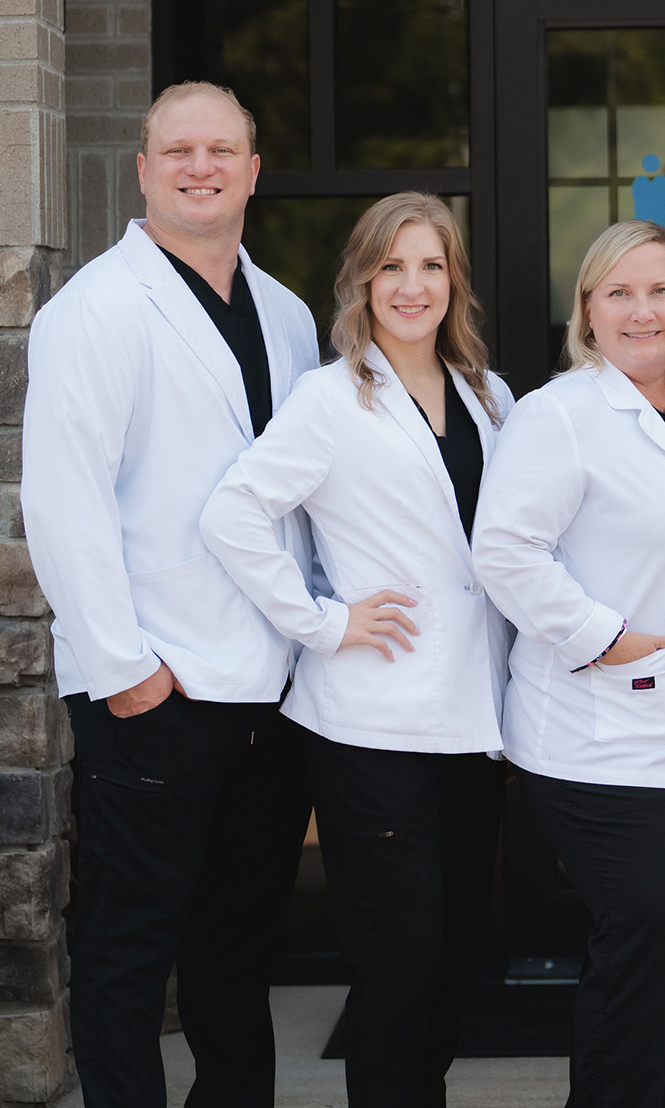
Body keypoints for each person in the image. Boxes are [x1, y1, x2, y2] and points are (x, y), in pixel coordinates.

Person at [21, 81, 320, 1108]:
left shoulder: (287, 315)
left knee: (239, 943)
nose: (202, 167)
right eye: (180, 151)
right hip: (156, 686)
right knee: (130, 945)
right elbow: (63, 501)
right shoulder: (94, 309)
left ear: (252, 171)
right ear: (144, 170)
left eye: (222, 150)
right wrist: (127, 672)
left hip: (268, 690)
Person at [199, 192, 513, 1105]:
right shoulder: (329, 398)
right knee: (399, 962)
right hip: (370, 727)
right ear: (363, 282)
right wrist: (324, 622)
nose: (412, 287)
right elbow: (232, 513)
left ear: (454, 280)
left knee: (456, 959)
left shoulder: (490, 397)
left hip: (474, 721)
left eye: (431, 266)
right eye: (392, 267)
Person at [471, 218, 665, 1108]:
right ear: (588, 311)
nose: (642, 311)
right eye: (619, 293)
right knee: (646, 931)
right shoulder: (558, 414)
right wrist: (603, 634)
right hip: (594, 729)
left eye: (660, 291)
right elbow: (504, 551)